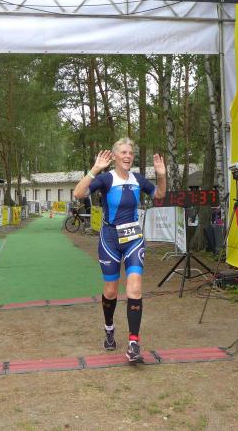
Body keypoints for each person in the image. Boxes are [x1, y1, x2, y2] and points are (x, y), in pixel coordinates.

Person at [73, 138, 166, 363]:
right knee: (111, 291)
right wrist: (95, 169)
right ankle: (109, 327)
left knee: (135, 287)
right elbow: (78, 193)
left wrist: (162, 175)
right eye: (123, 152)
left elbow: (159, 195)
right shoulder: (106, 179)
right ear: (114, 156)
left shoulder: (138, 179)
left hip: (133, 239)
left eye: (131, 153)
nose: (128, 156)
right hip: (110, 240)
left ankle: (134, 343)